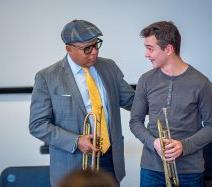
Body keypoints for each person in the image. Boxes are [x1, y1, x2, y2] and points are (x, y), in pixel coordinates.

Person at [29, 19, 134, 187]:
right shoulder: (47, 77)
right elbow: (37, 124)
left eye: (96, 45)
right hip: (72, 166)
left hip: (110, 159)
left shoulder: (109, 67)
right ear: (68, 49)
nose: (94, 52)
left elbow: (131, 101)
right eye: (87, 48)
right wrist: (76, 141)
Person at [129, 21, 212, 187]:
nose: (146, 54)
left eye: (150, 48)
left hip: (189, 171)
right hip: (152, 170)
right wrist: (154, 143)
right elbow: (135, 122)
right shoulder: (145, 80)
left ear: (168, 49)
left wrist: (183, 146)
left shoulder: (201, 82)